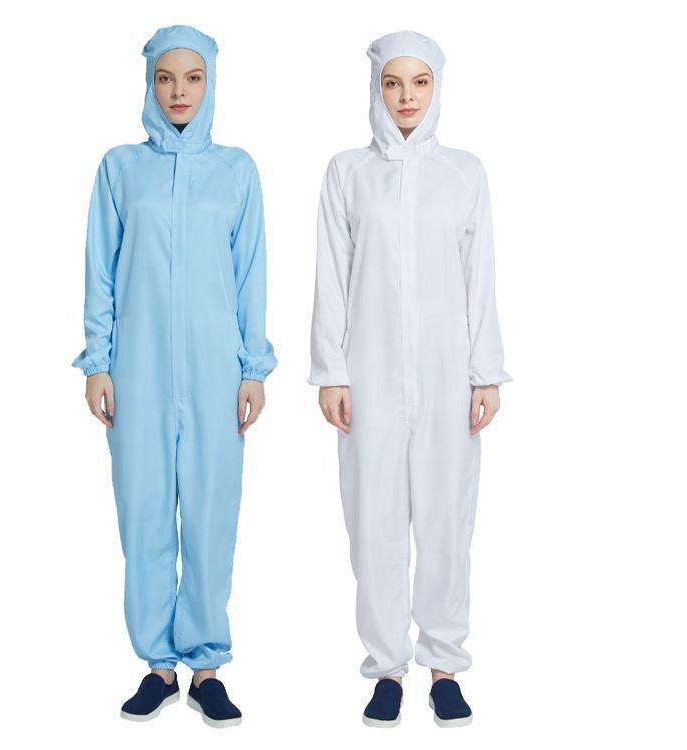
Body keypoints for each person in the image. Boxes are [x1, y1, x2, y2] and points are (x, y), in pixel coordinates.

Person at [71, 24, 276, 727]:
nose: (179, 91)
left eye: (192, 78)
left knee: (213, 513)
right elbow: (100, 268)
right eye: (166, 77)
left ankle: (207, 665)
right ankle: (159, 666)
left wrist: (253, 368)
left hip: (218, 370)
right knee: (145, 511)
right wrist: (98, 361)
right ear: (150, 83)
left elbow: (250, 274)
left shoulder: (237, 170)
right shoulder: (120, 168)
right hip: (138, 369)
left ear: (210, 83)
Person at [308, 30, 512, 728]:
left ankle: (445, 665)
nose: (405, 97)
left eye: (419, 83)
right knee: (373, 522)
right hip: (367, 375)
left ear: (437, 88)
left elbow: (480, 276)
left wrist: (485, 373)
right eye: (393, 83)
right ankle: (387, 668)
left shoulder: (464, 173)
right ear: (375, 88)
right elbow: (332, 276)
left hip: (448, 372)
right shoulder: (347, 172)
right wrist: (331, 371)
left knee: (447, 518)